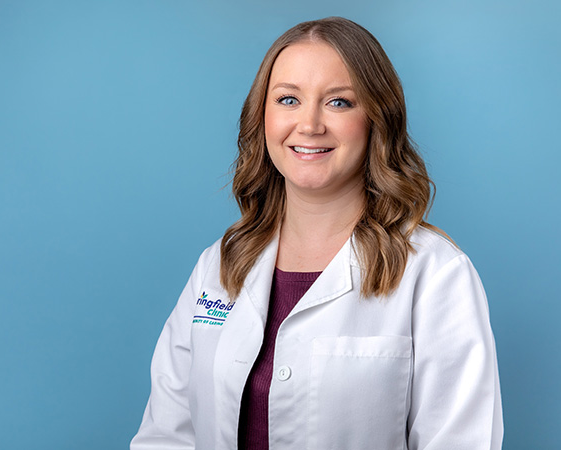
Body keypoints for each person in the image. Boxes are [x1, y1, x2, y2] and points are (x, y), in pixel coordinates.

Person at [130, 16, 502, 450]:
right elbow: (167, 436)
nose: (309, 125)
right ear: (262, 117)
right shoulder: (219, 265)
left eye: (339, 103)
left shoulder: (436, 274)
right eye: (288, 99)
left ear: (377, 119)